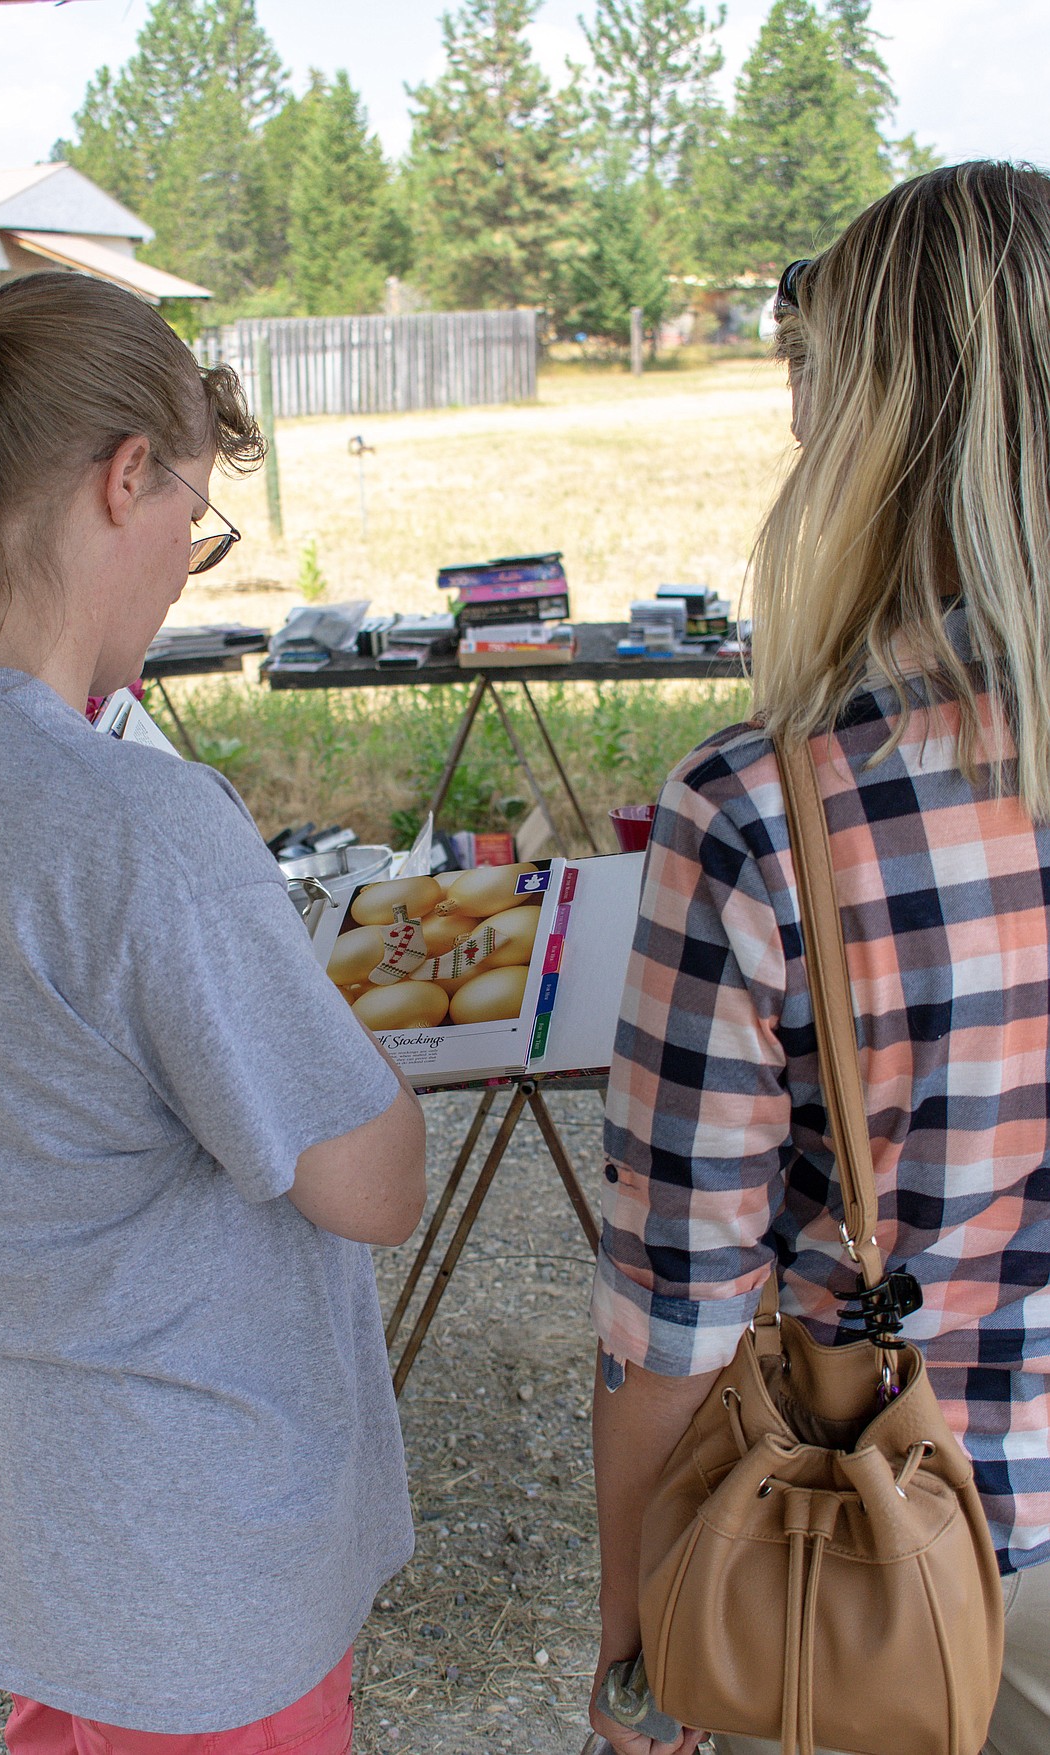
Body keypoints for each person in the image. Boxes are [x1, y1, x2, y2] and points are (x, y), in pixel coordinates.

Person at [0, 271, 426, 1755]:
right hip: (182, 1538)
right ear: (126, 479)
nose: (190, 562)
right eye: (195, 516)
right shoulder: (130, 822)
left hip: (14, 1494)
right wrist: (321, 1005)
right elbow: (372, 1183)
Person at [589, 160, 1050, 1755]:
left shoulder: (765, 810)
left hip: (893, 1562)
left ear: (856, 427)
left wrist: (636, 1663)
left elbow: (675, 1317)